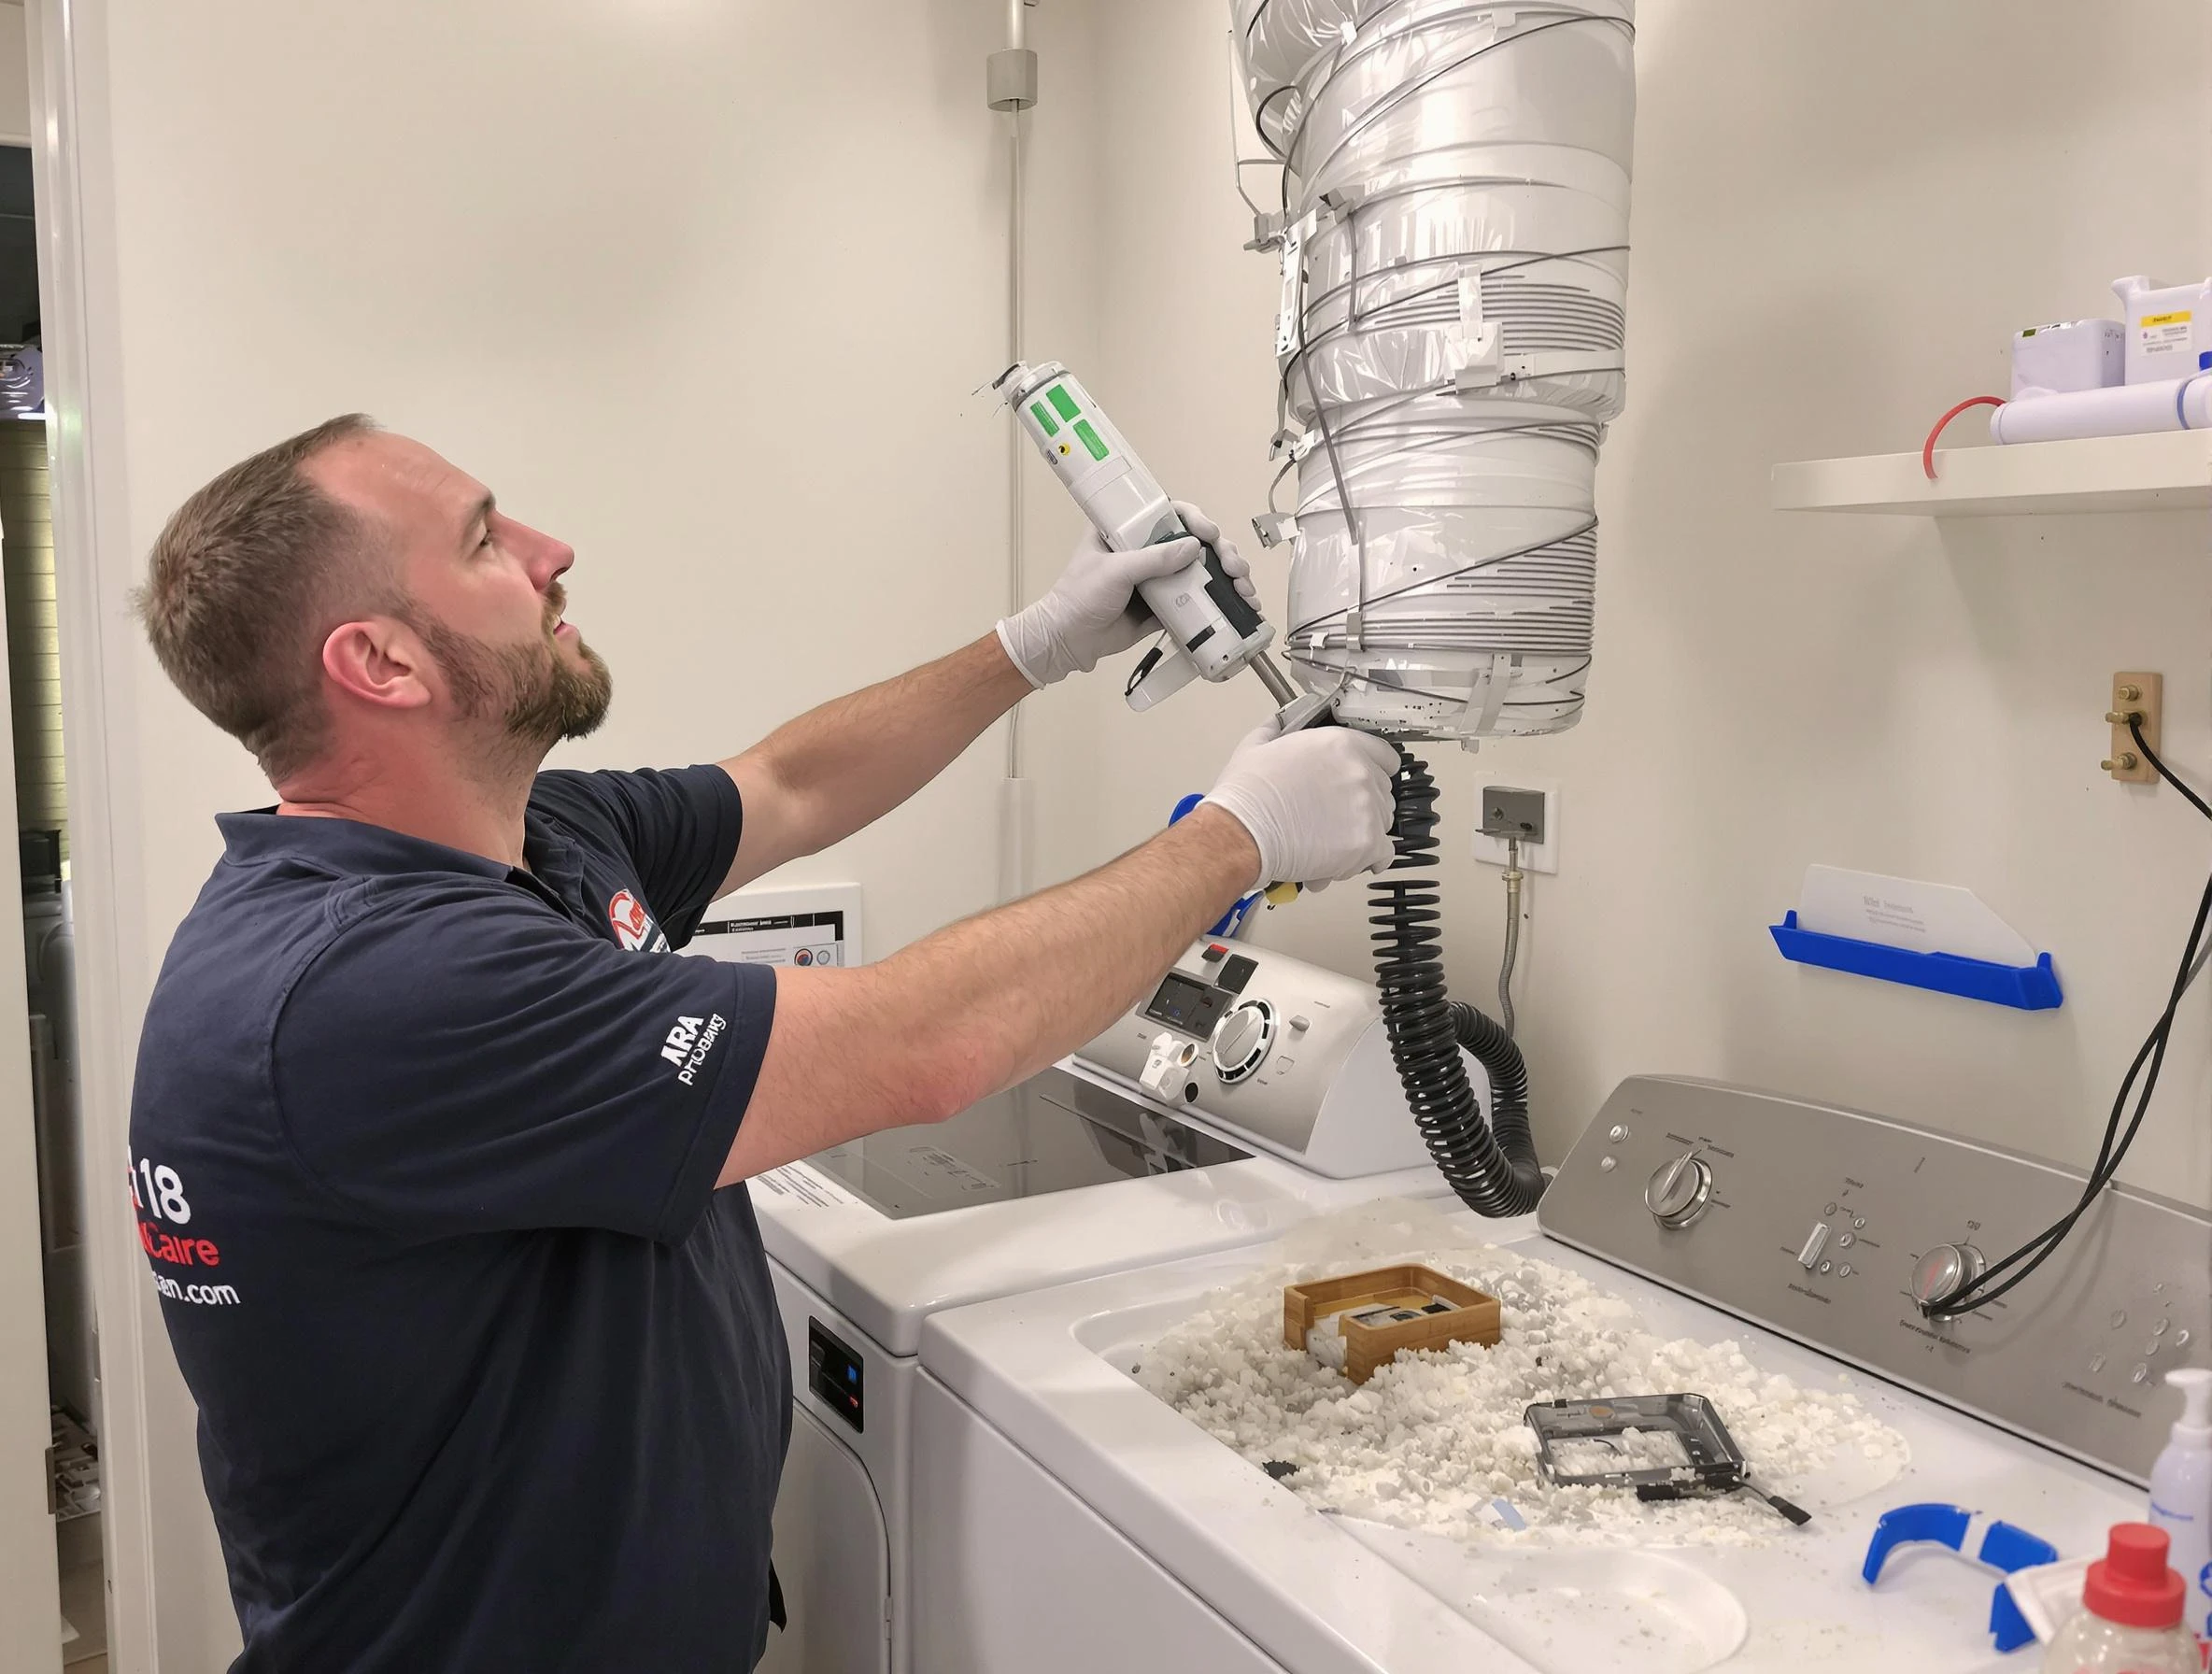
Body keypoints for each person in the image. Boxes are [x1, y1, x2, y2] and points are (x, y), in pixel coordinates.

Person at [127, 414, 1399, 1672]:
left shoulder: (523, 841)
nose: (550, 548)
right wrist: (1238, 836)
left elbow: (788, 786)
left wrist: (1039, 644)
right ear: (384, 664)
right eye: (483, 543)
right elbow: (922, 1047)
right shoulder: (370, 984)